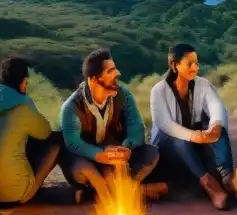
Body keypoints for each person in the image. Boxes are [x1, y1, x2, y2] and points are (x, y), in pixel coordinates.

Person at [150, 43, 237, 210]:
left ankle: (228, 179)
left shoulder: (202, 84)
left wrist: (215, 127)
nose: (195, 67)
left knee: (216, 126)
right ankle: (211, 187)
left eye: (196, 63)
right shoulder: (158, 90)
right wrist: (194, 136)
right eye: (189, 63)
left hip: (194, 148)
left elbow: (216, 107)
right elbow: (164, 123)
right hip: (168, 152)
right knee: (179, 139)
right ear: (174, 65)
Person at [59, 48, 167, 203]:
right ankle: (138, 190)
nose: (117, 73)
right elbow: (73, 143)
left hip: (117, 157)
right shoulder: (71, 107)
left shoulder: (124, 95)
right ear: (93, 79)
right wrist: (100, 154)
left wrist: (125, 148)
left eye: (115, 69)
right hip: (88, 158)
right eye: (110, 71)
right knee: (83, 171)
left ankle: (98, 193)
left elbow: (137, 129)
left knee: (151, 154)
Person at [0, 56, 62, 207]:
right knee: (55, 140)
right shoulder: (23, 104)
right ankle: (30, 190)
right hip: (11, 197)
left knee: (14, 138)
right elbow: (45, 132)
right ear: (24, 81)